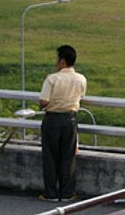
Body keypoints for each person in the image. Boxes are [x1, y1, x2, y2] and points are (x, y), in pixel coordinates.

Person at [39, 45, 87, 202]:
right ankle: (67, 193)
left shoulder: (52, 78)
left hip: (52, 119)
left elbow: (44, 101)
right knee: (68, 157)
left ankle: (51, 193)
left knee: (50, 157)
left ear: (62, 61)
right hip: (70, 119)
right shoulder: (81, 79)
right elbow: (81, 96)